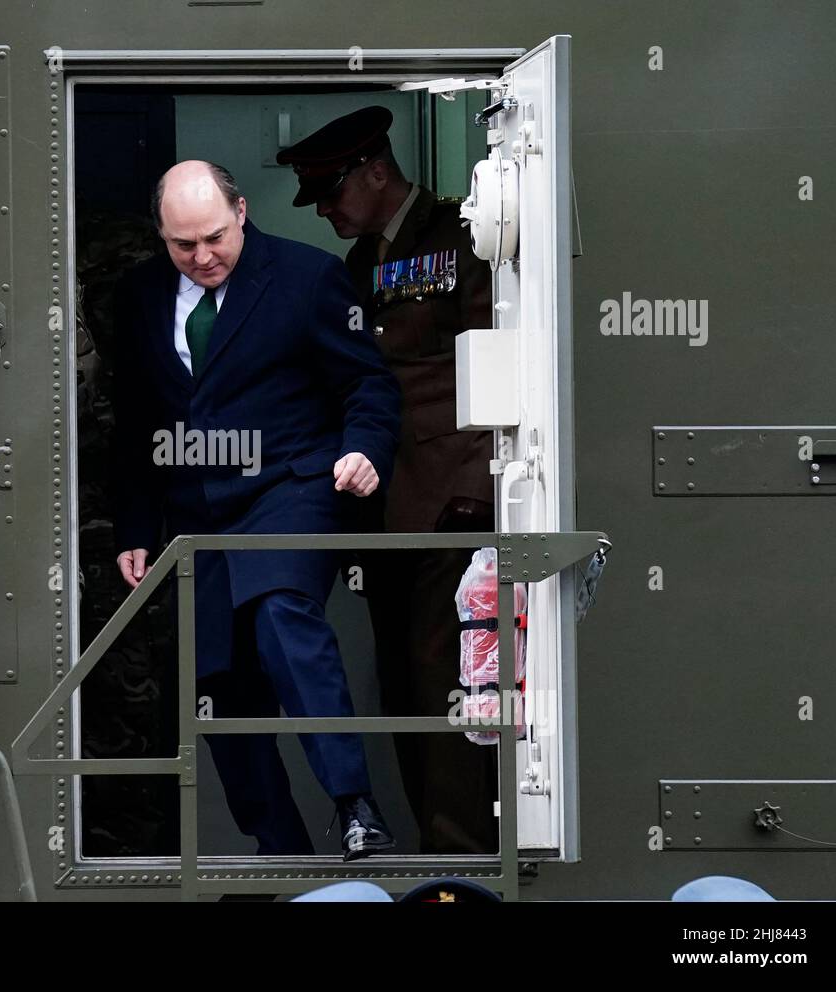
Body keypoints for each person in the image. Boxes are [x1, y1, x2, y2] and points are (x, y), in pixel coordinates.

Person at [110, 159, 401, 860]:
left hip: (289, 487)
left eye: (214, 237)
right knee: (217, 683)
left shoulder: (307, 276)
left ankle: (356, 807)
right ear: (162, 235)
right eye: (184, 245)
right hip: (192, 508)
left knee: (281, 615)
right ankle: (283, 854)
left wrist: (362, 450)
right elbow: (137, 420)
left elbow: (368, 383)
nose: (203, 257)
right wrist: (135, 528)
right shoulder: (140, 295)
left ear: (241, 212)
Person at [278, 106, 499, 854]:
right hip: (383, 515)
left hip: (453, 504)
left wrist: (478, 492)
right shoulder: (355, 269)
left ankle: (462, 859)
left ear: (376, 171)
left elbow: (497, 372)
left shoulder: (466, 240)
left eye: (333, 192)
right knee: (403, 688)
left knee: (452, 687)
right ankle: (435, 850)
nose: (325, 210)